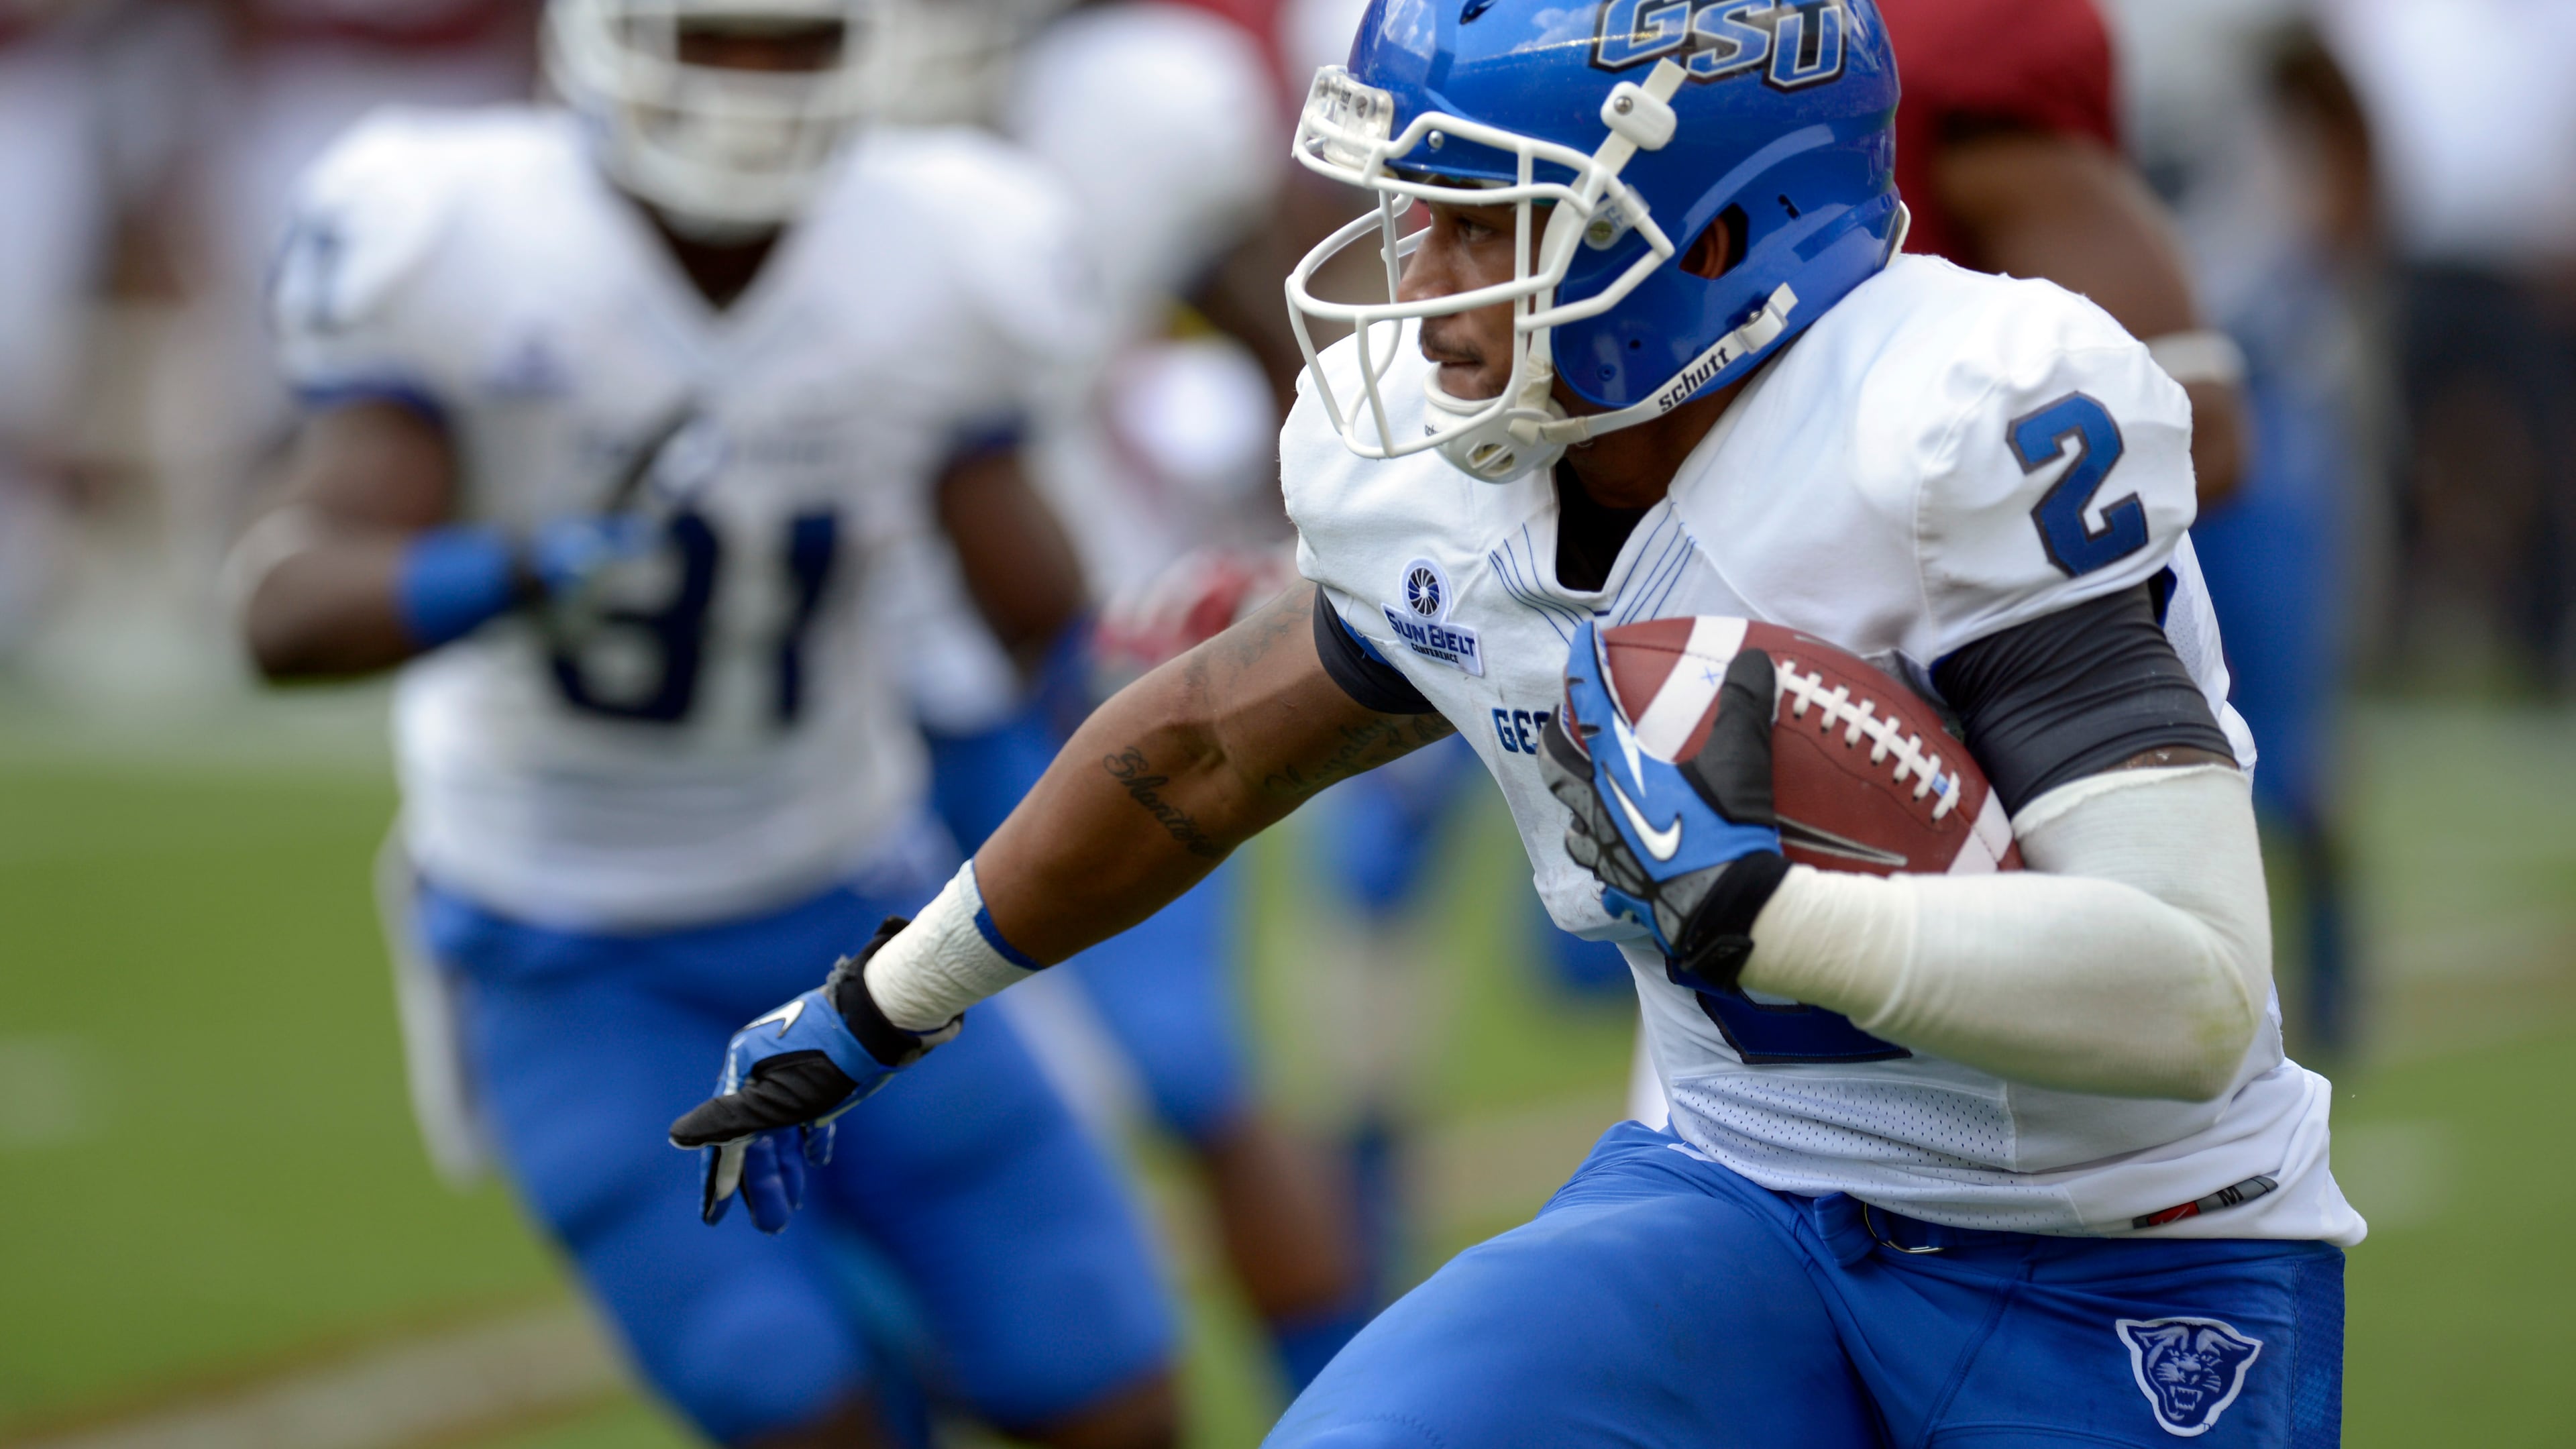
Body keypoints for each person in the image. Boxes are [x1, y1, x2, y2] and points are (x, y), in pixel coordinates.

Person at [674, 0, 2361, 1443]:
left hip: (2125, 1253)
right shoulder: (1439, 469)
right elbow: (1210, 742)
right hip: (1748, 1203)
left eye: (1491, 221)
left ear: (1716, 232)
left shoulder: (1952, 429)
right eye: (1417, 211)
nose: (1423, 279)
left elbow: (2194, 992)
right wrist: (888, 1001)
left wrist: (1779, 918)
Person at [225, 3, 1178, 1445]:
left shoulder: (940, 245)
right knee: (795, 1405)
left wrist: (1160, 670)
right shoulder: (459, 230)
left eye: (791, 40)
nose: (755, 81)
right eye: (719, 37)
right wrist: (523, 565)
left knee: (1103, 1385)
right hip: (564, 946)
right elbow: (287, 610)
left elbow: (1035, 614)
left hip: (856, 913)